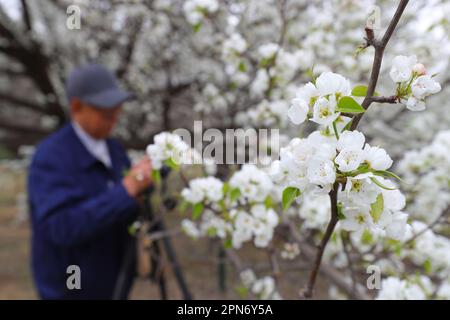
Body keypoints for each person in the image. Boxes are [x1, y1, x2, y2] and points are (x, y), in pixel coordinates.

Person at [27, 64, 152, 299]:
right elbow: (62, 227)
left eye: (117, 109)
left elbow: (125, 206)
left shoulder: (114, 150)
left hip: (115, 286)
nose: (114, 118)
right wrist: (126, 190)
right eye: (106, 112)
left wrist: (144, 187)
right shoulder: (51, 157)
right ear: (76, 107)